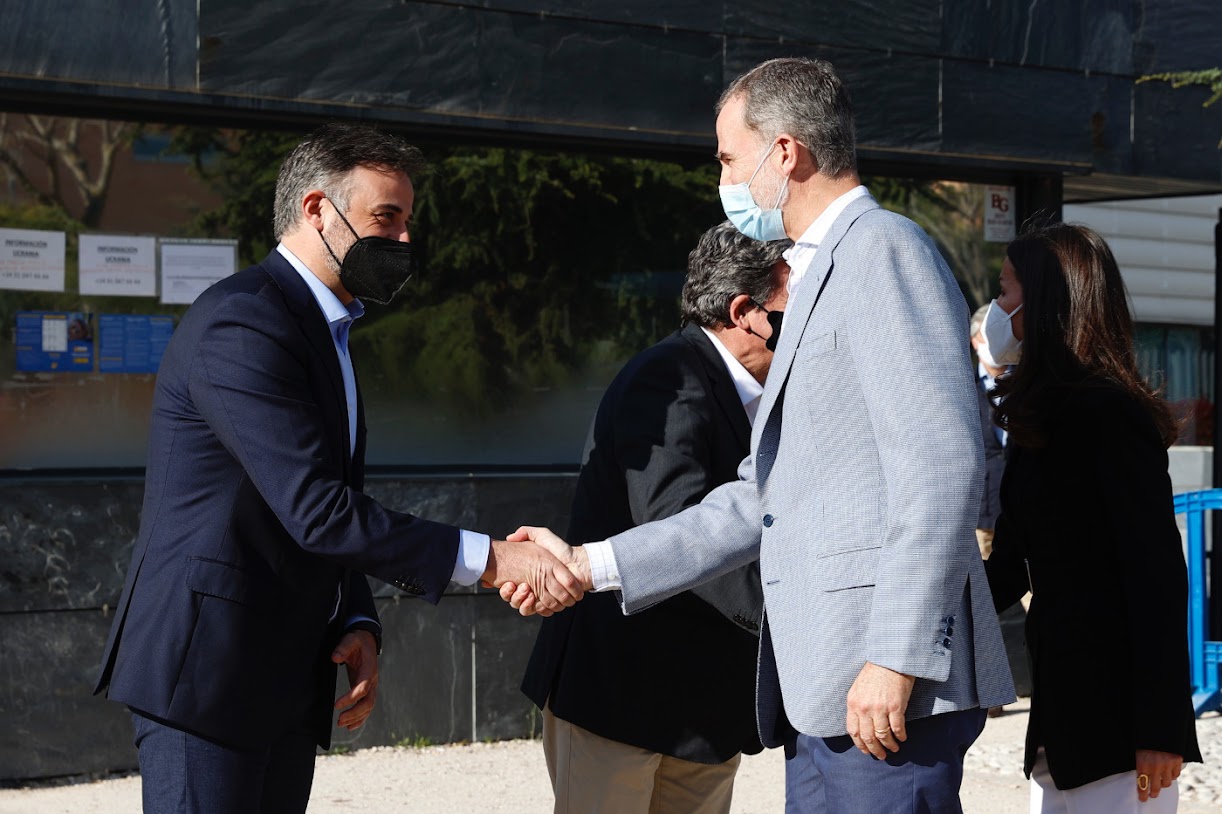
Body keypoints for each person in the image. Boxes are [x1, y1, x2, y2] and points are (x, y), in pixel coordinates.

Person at [504, 57, 1015, 813]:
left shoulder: (882, 251)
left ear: (784, 152)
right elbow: (759, 501)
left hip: (881, 690)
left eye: (727, 158)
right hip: (824, 691)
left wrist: (895, 656)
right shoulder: (818, 273)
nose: (723, 179)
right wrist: (588, 564)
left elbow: (940, 470)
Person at [93, 123, 582, 814]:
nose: (404, 239)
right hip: (207, 676)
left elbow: (323, 501)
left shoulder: (326, 330)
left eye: (407, 221)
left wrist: (355, 620)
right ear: (317, 209)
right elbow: (317, 509)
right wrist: (494, 560)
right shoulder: (245, 322)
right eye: (387, 217)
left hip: (283, 675)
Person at [521, 221, 790, 814]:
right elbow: (677, 525)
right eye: (795, 305)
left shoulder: (770, 394)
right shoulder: (669, 378)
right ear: (744, 312)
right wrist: (793, 620)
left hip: (706, 709)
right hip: (623, 698)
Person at [981, 222, 1202, 812]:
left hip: (1121, 730)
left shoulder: (1109, 413)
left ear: (1044, 302)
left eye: (1004, 290)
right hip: (1062, 718)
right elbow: (1011, 564)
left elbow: (1157, 575)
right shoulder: (1039, 418)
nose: (996, 308)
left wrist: (1161, 728)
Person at [970, 303, 1008, 560]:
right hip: (983, 514)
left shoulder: (1026, 383)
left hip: (1022, 509)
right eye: (987, 335)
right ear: (974, 341)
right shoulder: (965, 387)